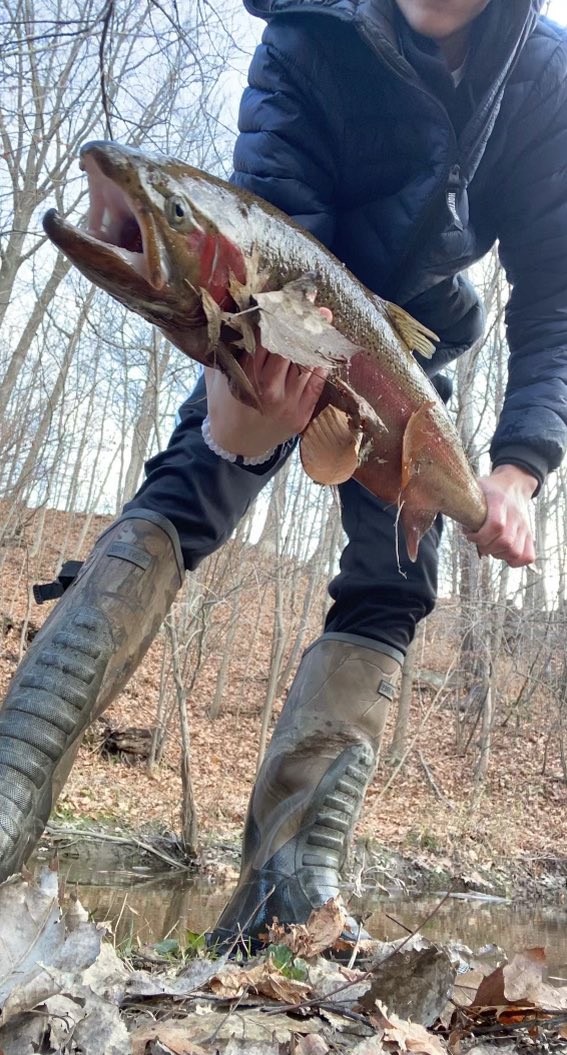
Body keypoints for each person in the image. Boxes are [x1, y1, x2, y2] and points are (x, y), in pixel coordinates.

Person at [0, 0, 565, 948]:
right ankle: (15, 773)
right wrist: (243, 412)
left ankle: (285, 894)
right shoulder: (305, 33)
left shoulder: (543, 81)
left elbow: (554, 300)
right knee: (191, 487)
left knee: (393, 582)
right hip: (276, 320)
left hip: (406, 364)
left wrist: (515, 472)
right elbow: (260, 265)